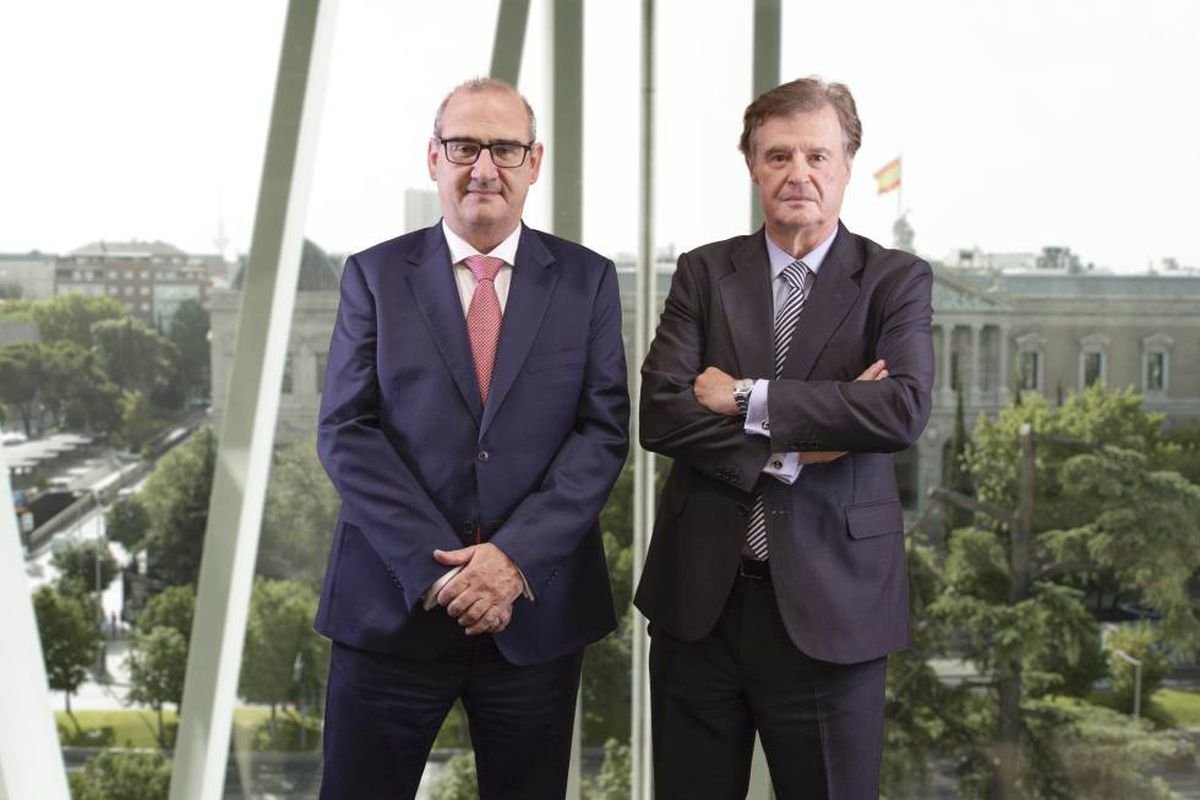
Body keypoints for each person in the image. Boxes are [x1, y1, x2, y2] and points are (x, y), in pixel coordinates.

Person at [315, 77, 629, 799]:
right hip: (391, 609)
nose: (484, 167)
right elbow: (347, 432)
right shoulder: (373, 275)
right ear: (433, 157)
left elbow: (602, 433)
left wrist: (511, 561)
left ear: (534, 161)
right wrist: (448, 576)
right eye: (464, 147)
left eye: (505, 148)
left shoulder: (587, 281)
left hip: (535, 615)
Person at [635, 76, 934, 799]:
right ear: (752, 166)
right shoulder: (705, 273)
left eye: (817, 156)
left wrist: (745, 397)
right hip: (700, 607)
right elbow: (660, 413)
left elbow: (899, 409)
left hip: (835, 611)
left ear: (847, 164)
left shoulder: (894, 281)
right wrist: (801, 441)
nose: (798, 173)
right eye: (778, 156)